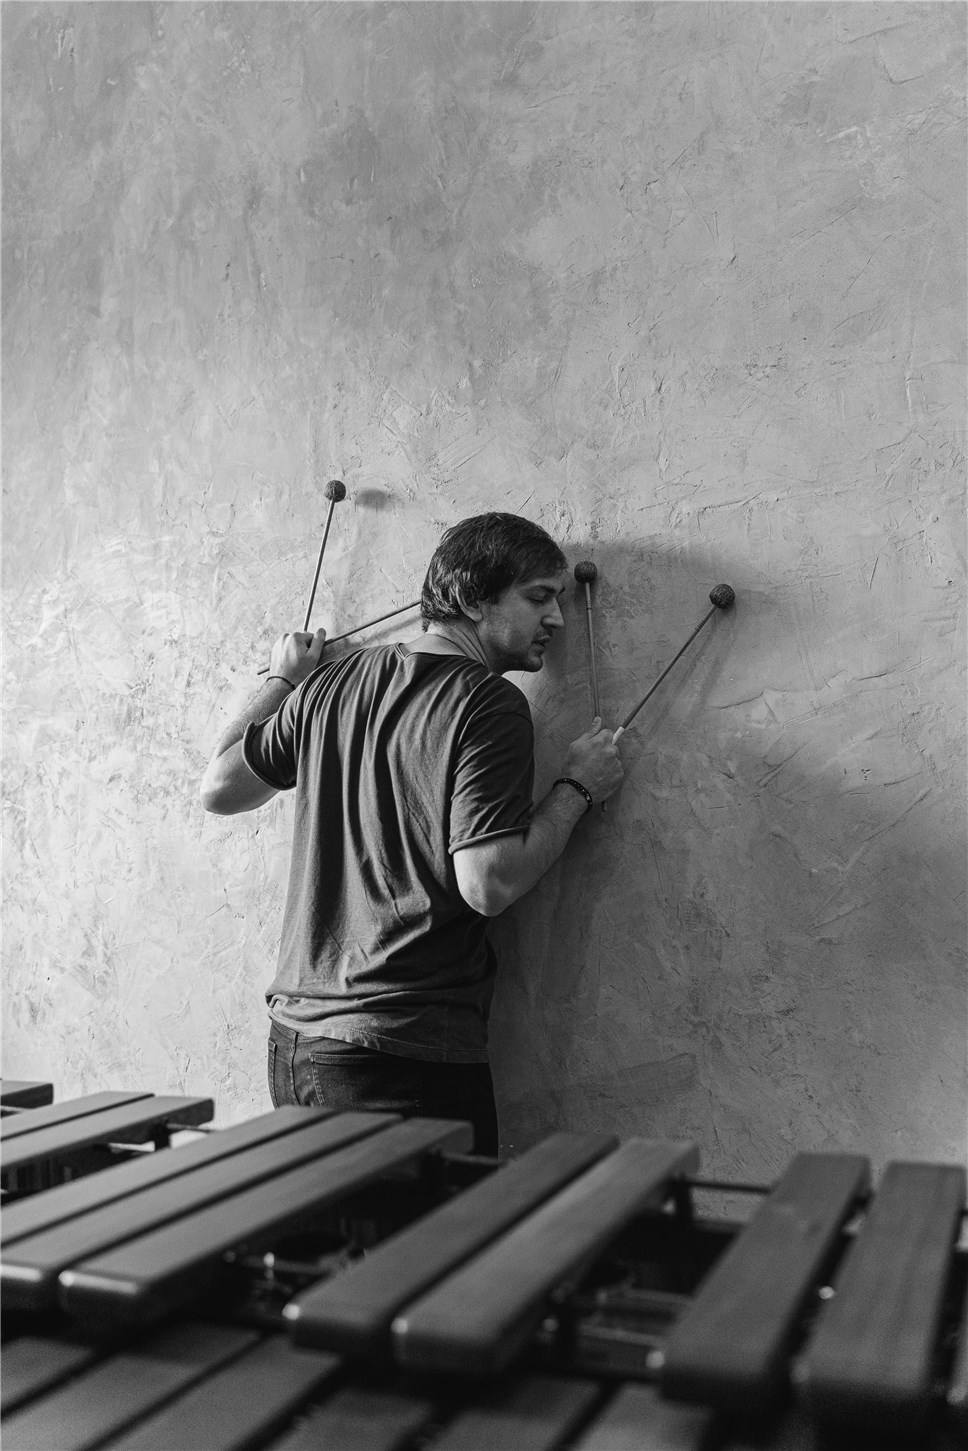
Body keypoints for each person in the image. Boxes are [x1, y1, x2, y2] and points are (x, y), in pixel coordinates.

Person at [199, 512, 623, 1154]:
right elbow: (489, 883)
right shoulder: (488, 703)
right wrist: (577, 788)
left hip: (296, 1045)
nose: (557, 619)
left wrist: (284, 679)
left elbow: (218, 786)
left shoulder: (331, 683)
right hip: (402, 1057)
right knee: (451, 1229)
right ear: (475, 598)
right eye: (539, 597)